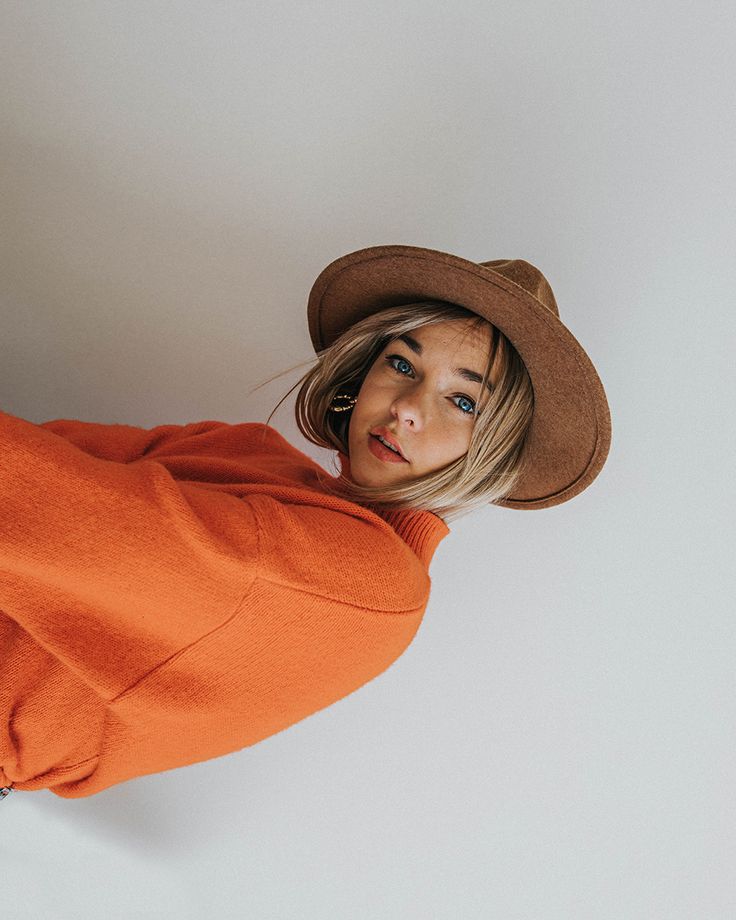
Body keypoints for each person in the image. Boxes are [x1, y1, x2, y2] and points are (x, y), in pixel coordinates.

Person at [0, 244, 611, 800]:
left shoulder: (373, 584)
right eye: (403, 365)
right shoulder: (247, 448)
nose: (405, 410)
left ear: (494, 448)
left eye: (462, 401)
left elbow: (79, 523)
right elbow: (48, 467)